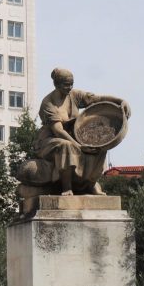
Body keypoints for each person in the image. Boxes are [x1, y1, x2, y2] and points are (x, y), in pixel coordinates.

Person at [29, 67, 131, 195]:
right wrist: (79, 146)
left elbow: (96, 99)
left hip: (73, 136)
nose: (70, 87)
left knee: (98, 146)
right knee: (67, 146)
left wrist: (120, 101)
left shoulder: (74, 95)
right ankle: (67, 187)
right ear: (56, 84)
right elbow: (58, 131)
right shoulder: (48, 103)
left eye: (71, 84)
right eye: (66, 85)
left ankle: (91, 184)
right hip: (49, 140)